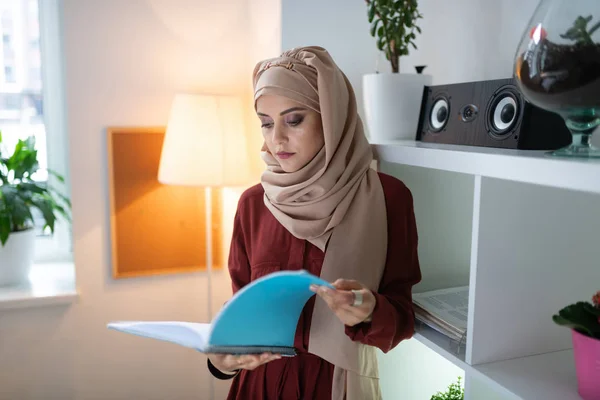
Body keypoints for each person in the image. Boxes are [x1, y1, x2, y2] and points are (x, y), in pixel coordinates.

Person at [206, 46, 422, 400]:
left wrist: (368, 311)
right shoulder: (252, 205)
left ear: (332, 117)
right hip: (260, 386)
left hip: (340, 386)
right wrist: (222, 362)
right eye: (265, 122)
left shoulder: (388, 198)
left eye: (293, 120)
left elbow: (402, 319)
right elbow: (240, 320)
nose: (276, 138)